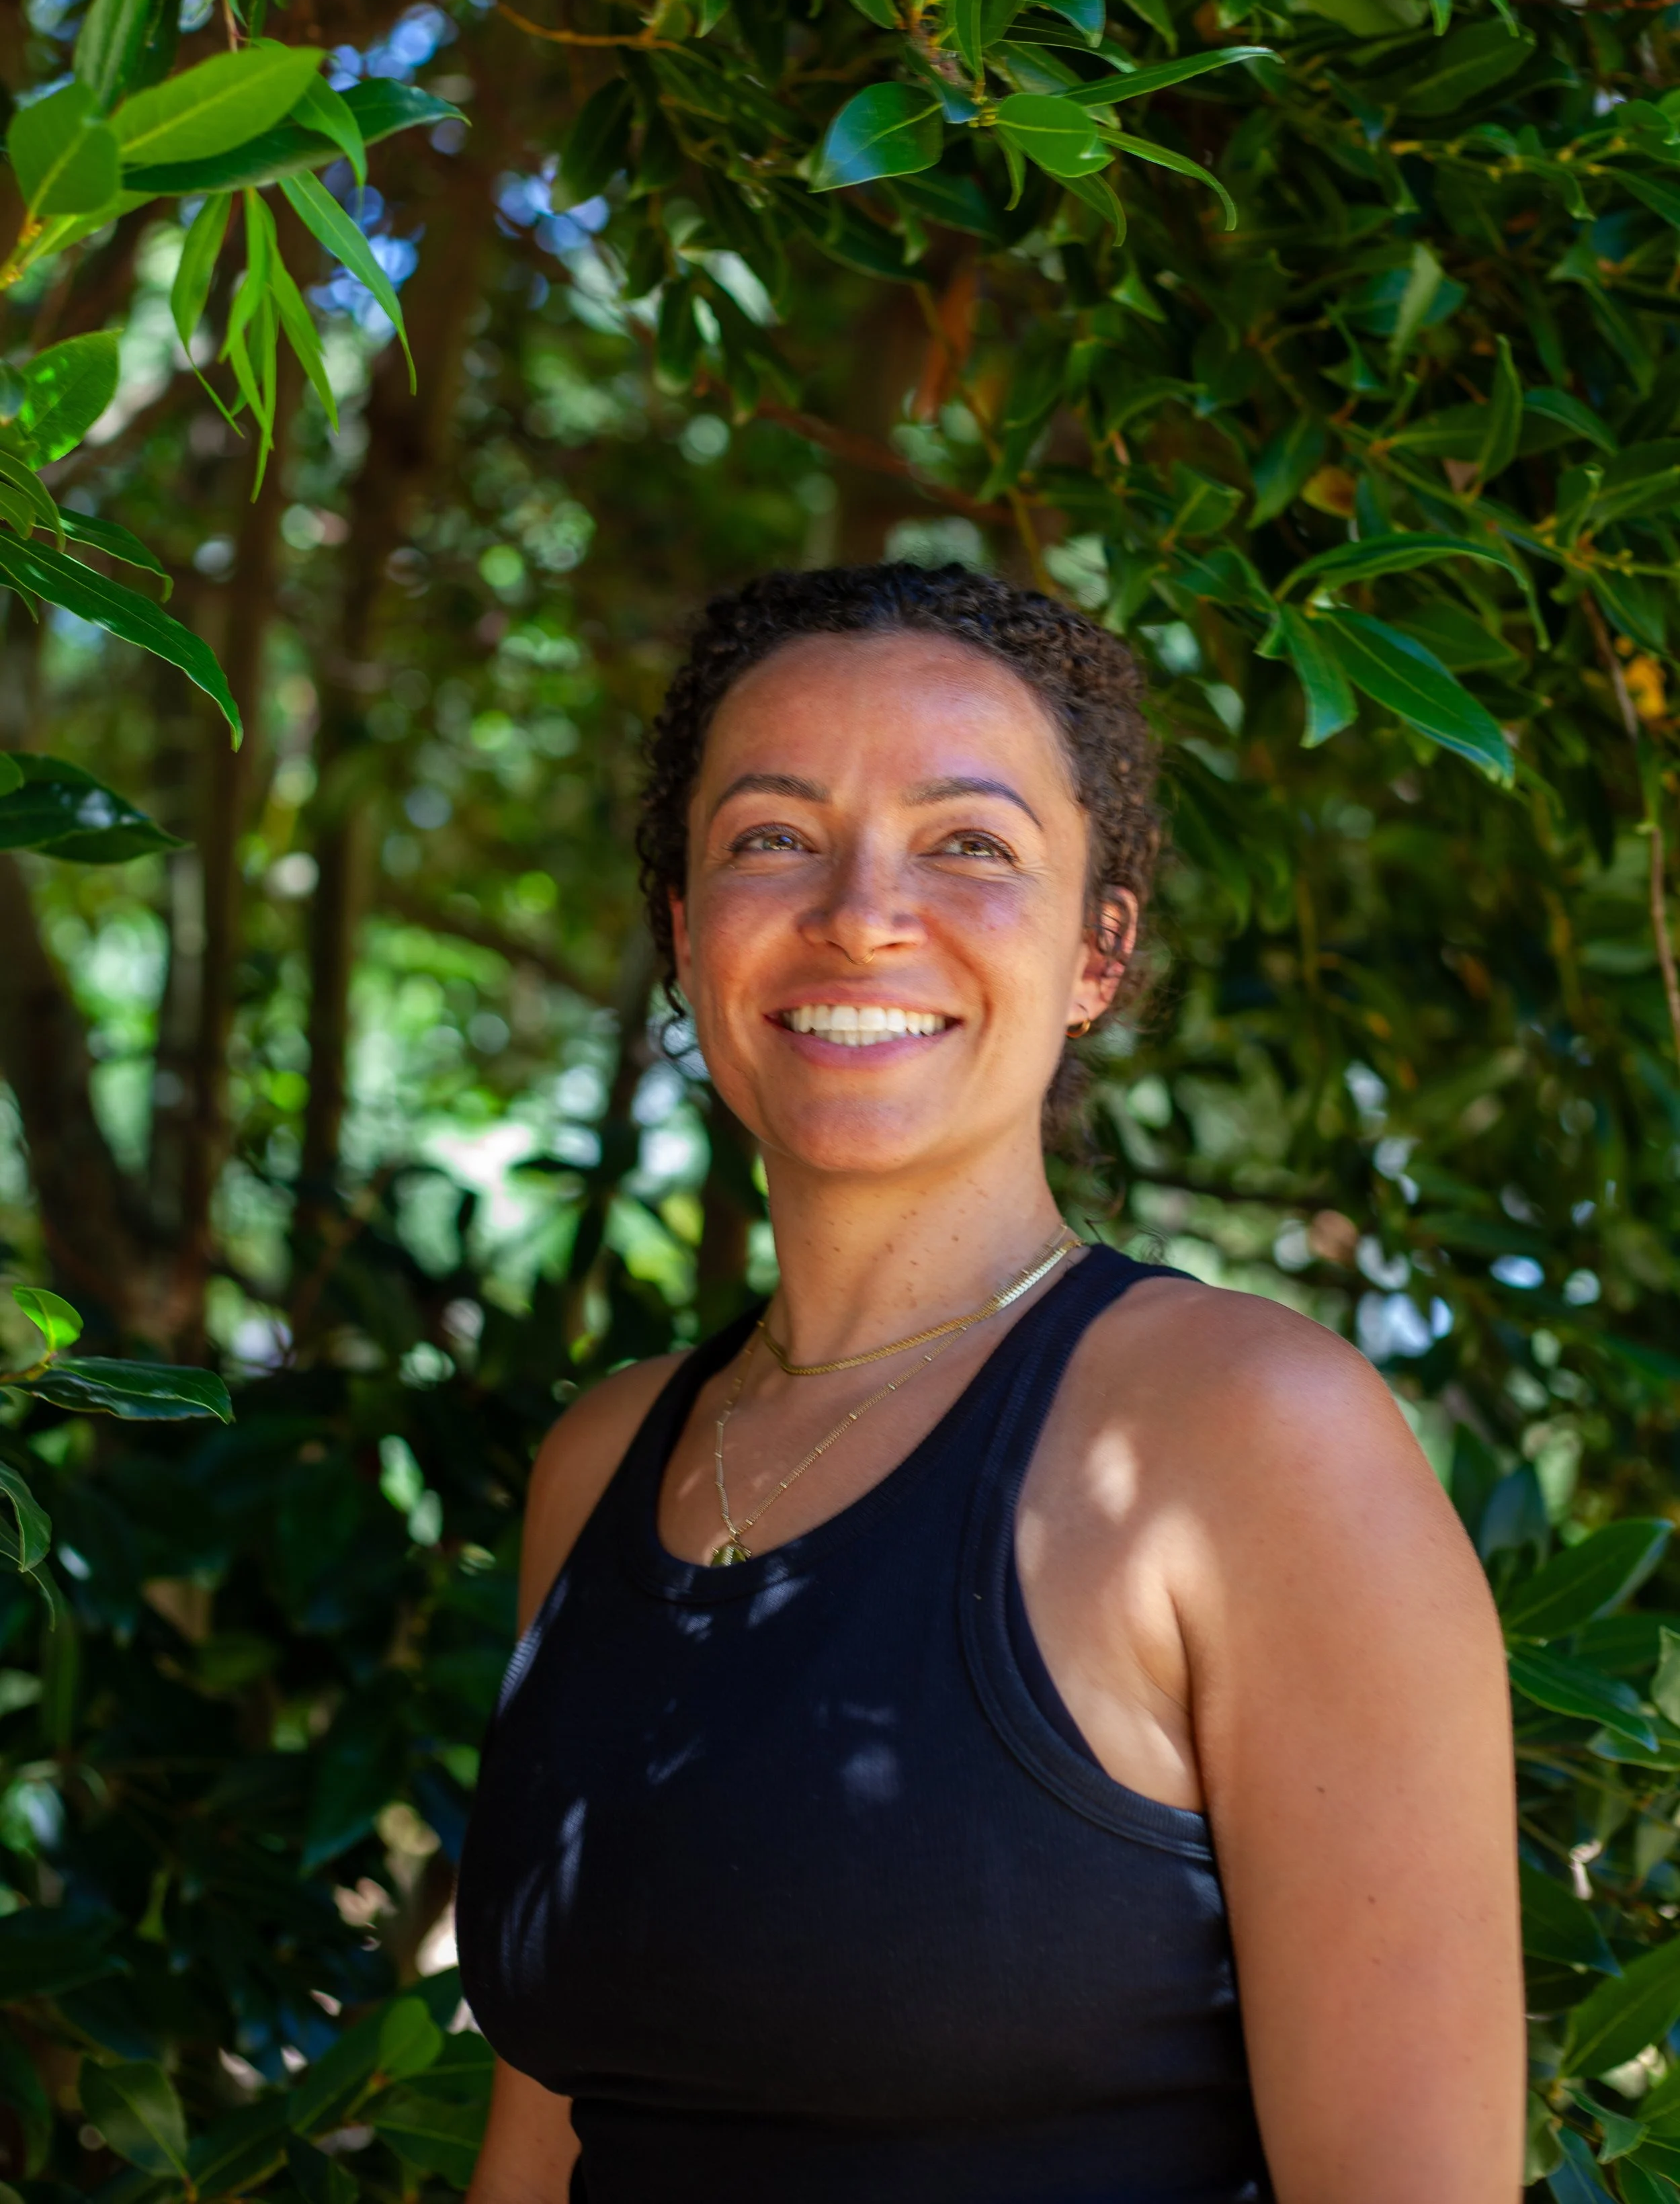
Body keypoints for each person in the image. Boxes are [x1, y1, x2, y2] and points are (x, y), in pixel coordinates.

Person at [457, 562, 1523, 2204]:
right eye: (769, 837)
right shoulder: (604, 1461)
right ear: (684, 934)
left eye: (968, 845)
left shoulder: (1246, 1436)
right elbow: (544, 2151)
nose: (862, 910)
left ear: (1098, 953)